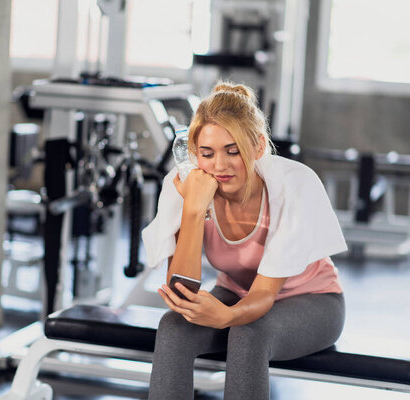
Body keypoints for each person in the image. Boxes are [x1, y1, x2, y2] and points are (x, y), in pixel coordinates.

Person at [141, 82, 348, 399]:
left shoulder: (293, 186)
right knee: (174, 328)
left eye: (232, 151)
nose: (219, 165)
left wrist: (227, 316)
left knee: (249, 331)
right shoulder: (187, 185)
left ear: (258, 147)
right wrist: (194, 211)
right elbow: (182, 290)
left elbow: (263, 296)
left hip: (313, 302)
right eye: (207, 154)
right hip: (235, 293)